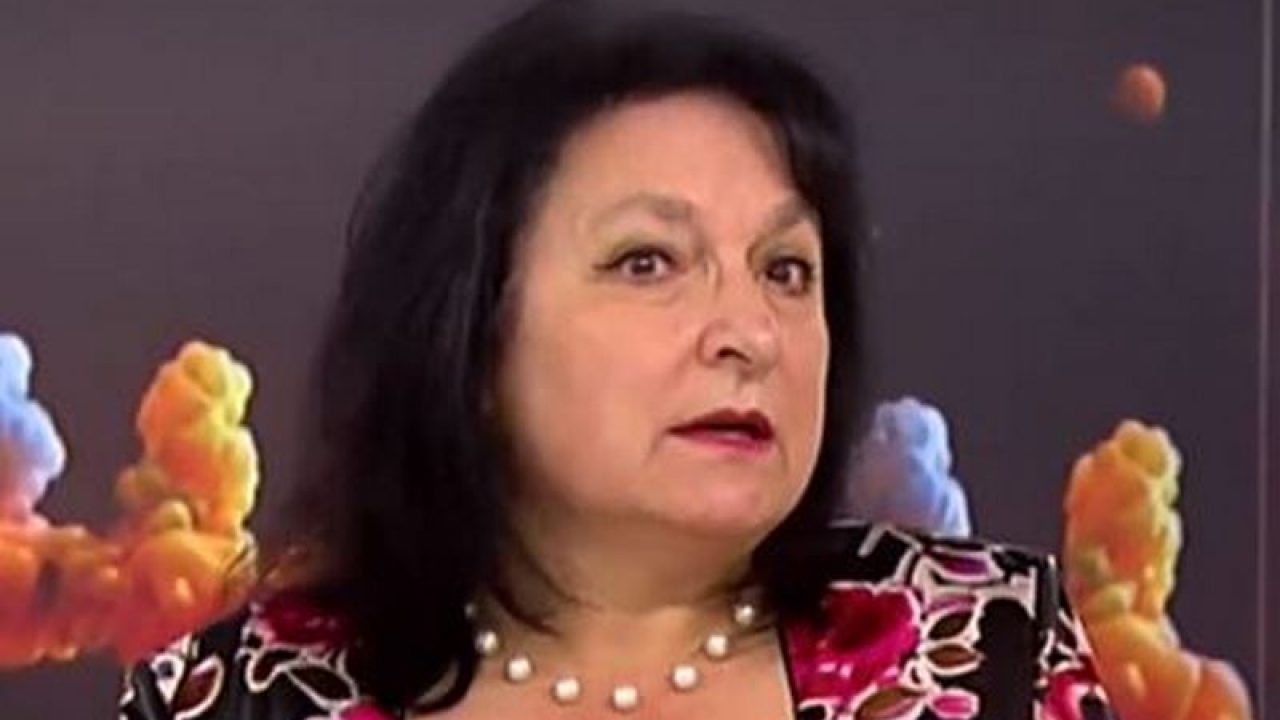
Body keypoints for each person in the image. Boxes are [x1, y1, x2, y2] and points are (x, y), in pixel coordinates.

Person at [119, 1, 1114, 718]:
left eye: (786, 270)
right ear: (468, 329)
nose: (750, 332)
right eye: (648, 262)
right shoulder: (239, 696)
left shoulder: (987, 650)